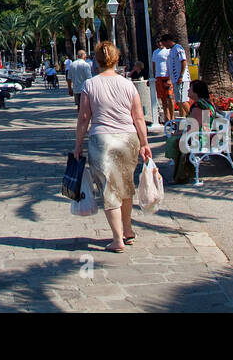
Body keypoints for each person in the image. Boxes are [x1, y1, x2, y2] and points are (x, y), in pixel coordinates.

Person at [73, 40, 152, 253]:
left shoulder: (90, 85)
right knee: (126, 185)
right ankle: (127, 230)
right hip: (128, 139)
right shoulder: (127, 85)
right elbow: (139, 117)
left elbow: (84, 118)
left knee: (109, 188)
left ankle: (117, 239)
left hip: (103, 140)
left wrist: (78, 145)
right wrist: (144, 143)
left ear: (96, 62)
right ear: (116, 60)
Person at [172, 79, 217, 184]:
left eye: (190, 89)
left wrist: (181, 135)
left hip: (200, 139)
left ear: (196, 92)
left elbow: (194, 126)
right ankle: (183, 174)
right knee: (178, 140)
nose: (188, 91)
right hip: (203, 136)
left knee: (177, 143)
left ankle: (182, 175)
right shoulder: (207, 103)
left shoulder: (199, 106)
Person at [153, 35, 175, 122]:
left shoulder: (168, 51)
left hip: (167, 76)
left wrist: (170, 77)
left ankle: (172, 117)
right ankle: (167, 118)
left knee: (170, 97)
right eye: (158, 42)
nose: (160, 43)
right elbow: (154, 65)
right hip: (159, 77)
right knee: (163, 98)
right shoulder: (155, 52)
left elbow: (170, 64)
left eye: (161, 42)